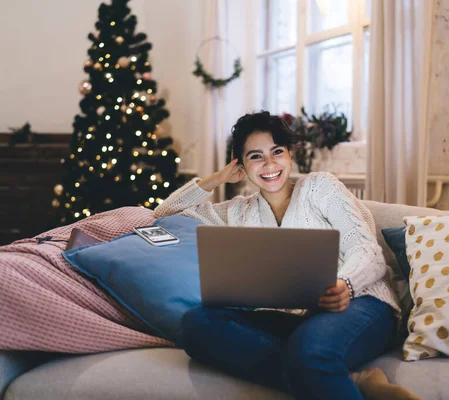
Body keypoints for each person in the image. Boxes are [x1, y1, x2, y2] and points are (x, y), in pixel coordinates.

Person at [154, 111, 421, 400]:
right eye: (255, 156)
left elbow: (367, 250)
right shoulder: (235, 212)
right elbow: (163, 214)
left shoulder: (321, 187)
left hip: (361, 303)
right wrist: (217, 179)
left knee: (309, 349)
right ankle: (353, 380)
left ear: (290, 154)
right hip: (291, 319)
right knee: (197, 324)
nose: (269, 164)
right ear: (240, 165)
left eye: (277, 152)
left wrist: (346, 284)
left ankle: (317, 367)